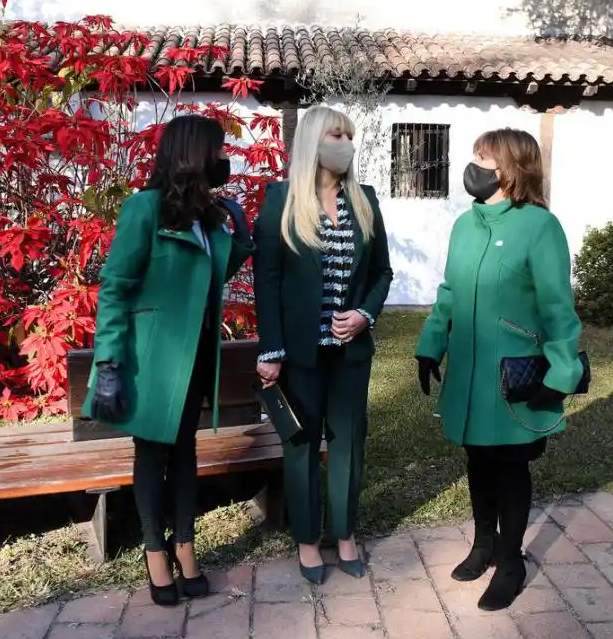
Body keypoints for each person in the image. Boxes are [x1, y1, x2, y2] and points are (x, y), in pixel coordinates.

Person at [82, 114, 254, 607]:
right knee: (153, 453)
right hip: (152, 358)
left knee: (185, 454)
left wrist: (238, 238)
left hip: (197, 353)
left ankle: (185, 545)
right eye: (219, 150)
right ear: (194, 154)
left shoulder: (206, 216)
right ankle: (155, 552)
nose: (226, 158)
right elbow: (115, 288)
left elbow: (208, 279)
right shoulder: (144, 209)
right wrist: (109, 362)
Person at [415, 128, 583, 611]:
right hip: (470, 375)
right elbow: (449, 292)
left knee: (510, 467)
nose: (474, 168)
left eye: (483, 158)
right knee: (478, 461)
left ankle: (511, 561)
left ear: (509, 168)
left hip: (514, 377)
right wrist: (430, 345)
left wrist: (561, 375)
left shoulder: (540, 226)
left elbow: (557, 307)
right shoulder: (465, 225)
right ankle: (483, 544)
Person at [253, 106, 393, 584]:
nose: (346, 143)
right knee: (302, 447)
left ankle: (346, 534)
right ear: (313, 140)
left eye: (349, 135)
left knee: (349, 444)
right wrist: (271, 350)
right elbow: (266, 282)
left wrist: (364, 314)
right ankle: (308, 541)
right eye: (336, 134)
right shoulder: (280, 201)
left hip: (350, 353)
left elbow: (381, 273)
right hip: (300, 355)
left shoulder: (366, 200)